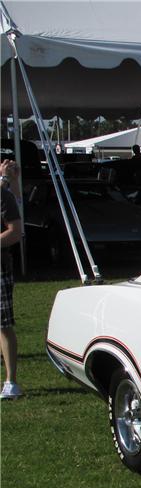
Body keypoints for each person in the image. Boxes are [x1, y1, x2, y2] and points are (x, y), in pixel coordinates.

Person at [0, 159, 24, 399]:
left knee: (2, 324)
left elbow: (16, 230)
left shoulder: (3, 196)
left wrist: (9, 180)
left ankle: (11, 382)